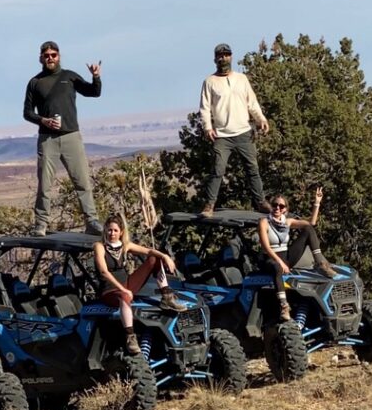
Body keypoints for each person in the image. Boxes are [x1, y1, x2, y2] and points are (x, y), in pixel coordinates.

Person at [23, 40, 104, 237]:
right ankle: (41, 224)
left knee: (82, 181)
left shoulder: (70, 77)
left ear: (59, 56)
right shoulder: (35, 82)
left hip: (71, 137)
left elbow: (94, 93)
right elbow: (27, 112)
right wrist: (44, 120)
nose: (50, 58)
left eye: (53, 55)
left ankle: (91, 221)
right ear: (40, 58)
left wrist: (96, 77)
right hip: (47, 139)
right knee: (45, 184)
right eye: (46, 55)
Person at [93, 213, 186, 355]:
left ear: (121, 232)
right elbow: (103, 272)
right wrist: (122, 289)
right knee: (124, 295)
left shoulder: (125, 245)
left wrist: (165, 256)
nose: (112, 233)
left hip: (127, 284)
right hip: (110, 290)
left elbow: (148, 250)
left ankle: (167, 297)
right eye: (109, 230)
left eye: (115, 230)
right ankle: (130, 337)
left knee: (154, 259)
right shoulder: (99, 246)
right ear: (105, 230)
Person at [199, 43, 271, 216]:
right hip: (222, 135)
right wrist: (207, 127)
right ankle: (209, 205)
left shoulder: (241, 79)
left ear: (231, 56)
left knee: (252, 169)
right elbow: (205, 107)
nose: (223, 58)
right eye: (220, 55)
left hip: (244, 132)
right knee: (218, 169)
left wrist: (260, 119)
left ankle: (260, 202)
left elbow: (251, 102)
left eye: (226, 55)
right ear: (215, 58)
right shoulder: (210, 82)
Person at [258, 187, 337, 321]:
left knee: (308, 229)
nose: (277, 208)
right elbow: (266, 246)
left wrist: (317, 202)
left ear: (285, 209)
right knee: (277, 267)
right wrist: (281, 262)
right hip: (270, 259)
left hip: (286, 257)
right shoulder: (264, 222)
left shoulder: (287, 221)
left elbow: (311, 222)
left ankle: (320, 263)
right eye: (275, 205)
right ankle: (284, 306)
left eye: (281, 206)